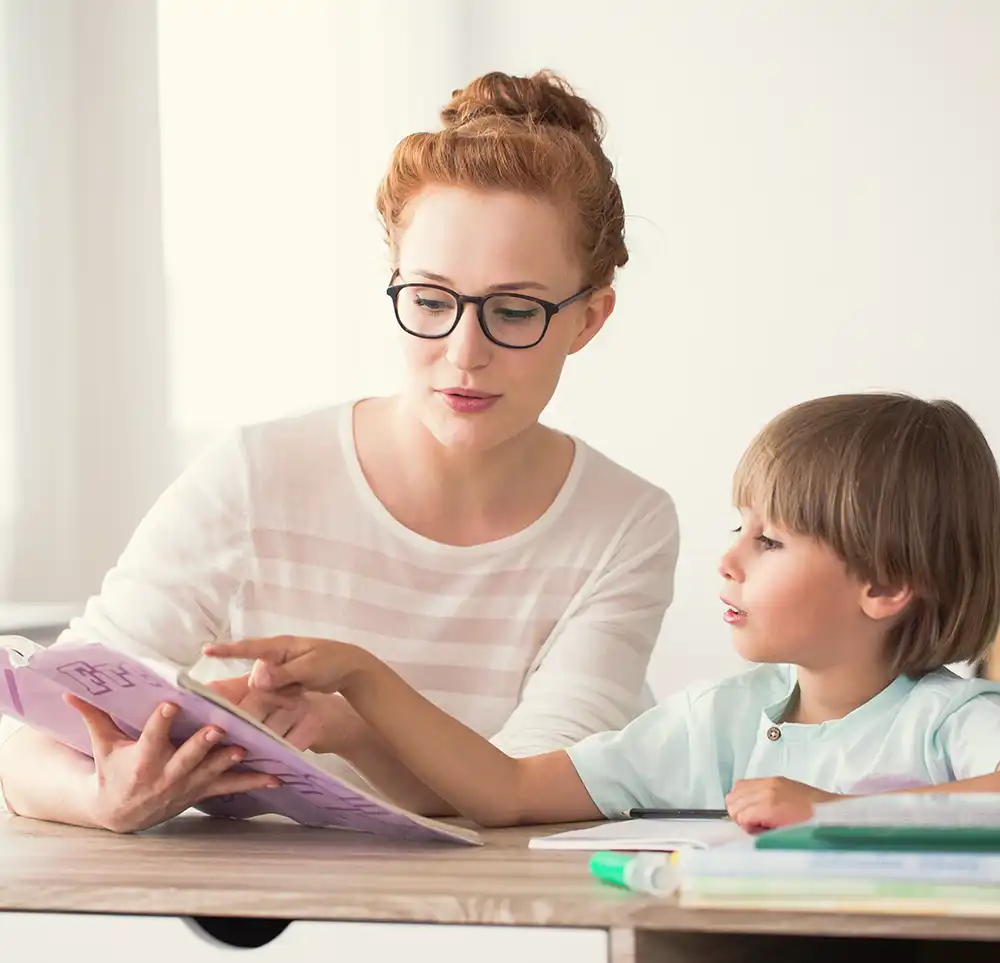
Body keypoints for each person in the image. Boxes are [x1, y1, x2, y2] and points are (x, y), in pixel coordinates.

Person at [0, 70, 679, 833]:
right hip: (241, 917)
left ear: (588, 320)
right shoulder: (256, 475)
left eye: (515, 310)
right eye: (429, 300)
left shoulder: (624, 524)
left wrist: (353, 721)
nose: (464, 352)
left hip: (490, 930)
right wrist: (105, 797)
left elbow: (532, 793)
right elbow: (34, 738)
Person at [206, 393, 1000, 834]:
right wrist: (360, 683)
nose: (727, 559)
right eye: (738, 528)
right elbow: (507, 791)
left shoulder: (947, 720)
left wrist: (839, 813)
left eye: (772, 541)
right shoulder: (717, 723)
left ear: (887, 586)